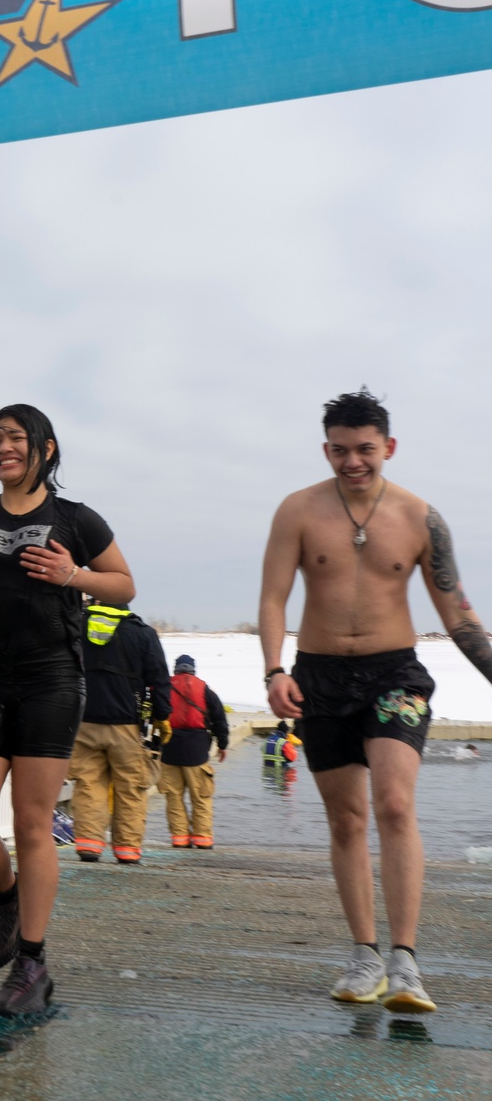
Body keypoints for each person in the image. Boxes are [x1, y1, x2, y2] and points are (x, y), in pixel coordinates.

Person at [259, 388, 492, 1015]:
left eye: (365, 450)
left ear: (388, 447)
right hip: (319, 677)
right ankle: (364, 955)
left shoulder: (421, 518)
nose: (353, 462)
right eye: (340, 451)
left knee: (393, 803)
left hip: (395, 675)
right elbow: (275, 598)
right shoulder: (298, 511)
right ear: (326, 449)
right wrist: (274, 669)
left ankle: (405, 963)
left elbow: (459, 612)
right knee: (347, 820)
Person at [0, 404, 134, 1015]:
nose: (3, 449)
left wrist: (75, 574)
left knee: (31, 824)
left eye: (16, 439)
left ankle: (32, 962)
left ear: (45, 449)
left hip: (51, 682)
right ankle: (8, 896)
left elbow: (123, 584)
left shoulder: (75, 518)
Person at [69, 604, 171, 865]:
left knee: (88, 785)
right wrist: (162, 716)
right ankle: (126, 850)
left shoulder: (77, 625)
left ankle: (89, 846)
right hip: (126, 725)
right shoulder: (142, 633)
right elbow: (158, 679)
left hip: (84, 721)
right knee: (130, 787)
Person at [158, 654, 229, 849]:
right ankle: (203, 839)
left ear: (176, 669)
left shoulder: (164, 688)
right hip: (196, 752)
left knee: (173, 797)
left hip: (169, 751)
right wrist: (223, 745)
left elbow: (155, 715)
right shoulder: (205, 690)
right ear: (193, 670)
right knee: (201, 797)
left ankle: (180, 840)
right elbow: (220, 720)